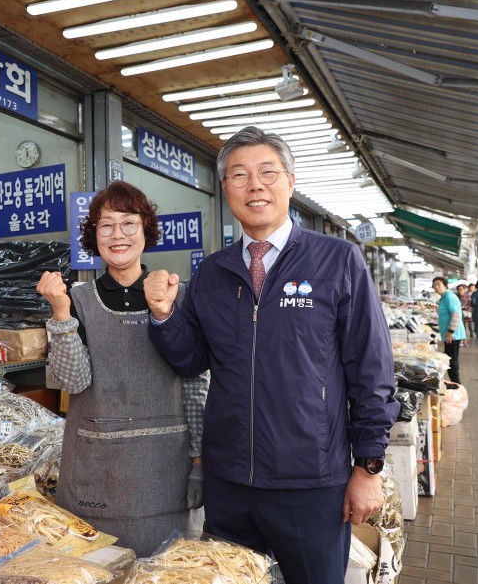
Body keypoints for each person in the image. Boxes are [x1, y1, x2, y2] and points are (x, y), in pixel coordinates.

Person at [144, 126, 399, 584]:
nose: (254, 185)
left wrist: (369, 466)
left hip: (311, 480)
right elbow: (192, 360)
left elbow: (372, 369)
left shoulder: (337, 260)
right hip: (230, 480)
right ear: (225, 190)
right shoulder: (213, 272)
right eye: (239, 176)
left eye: (267, 172)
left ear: (290, 182)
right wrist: (164, 317)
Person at [36, 181, 207, 557]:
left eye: (129, 223)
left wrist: (200, 459)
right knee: (97, 569)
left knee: (165, 573)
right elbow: (72, 382)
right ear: (93, 234)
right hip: (98, 473)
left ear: (146, 229)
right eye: (106, 225)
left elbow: (195, 383)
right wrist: (61, 313)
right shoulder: (76, 299)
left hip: (166, 471)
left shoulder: (180, 295)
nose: (118, 235)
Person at [433, 276, 466, 382]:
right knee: (450, 360)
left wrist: (450, 331)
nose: (436, 287)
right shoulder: (444, 297)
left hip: (453, 334)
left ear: (445, 285)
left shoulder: (449, 296)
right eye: (434, 285)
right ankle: (455, 383)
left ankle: (456, 384)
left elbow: (455, 314)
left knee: (451, 361)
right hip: (449, 334)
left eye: (439, 284)